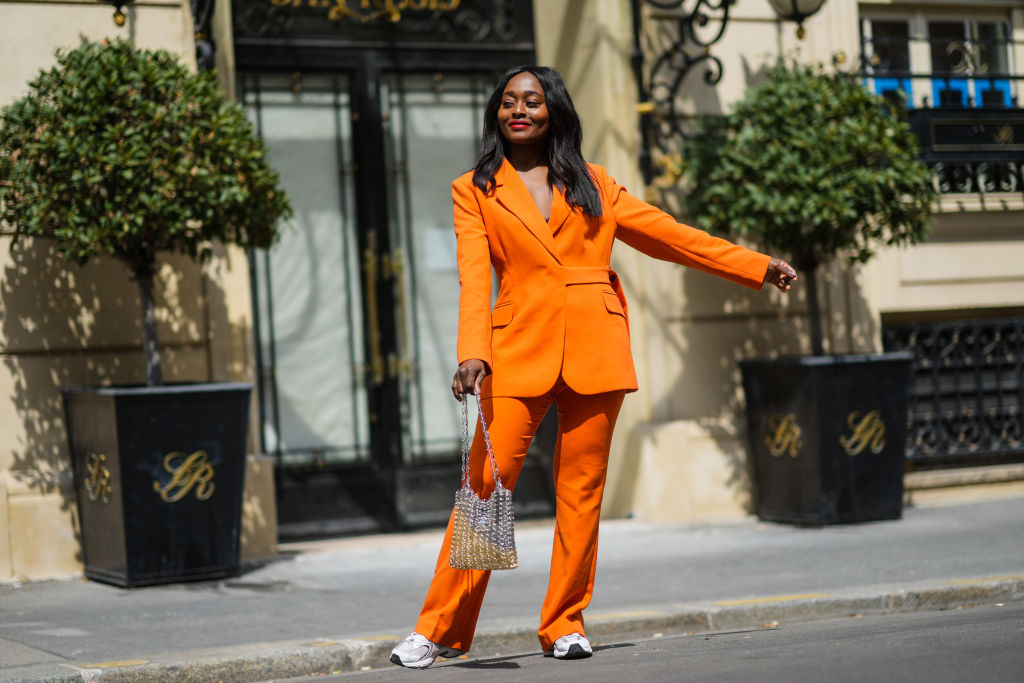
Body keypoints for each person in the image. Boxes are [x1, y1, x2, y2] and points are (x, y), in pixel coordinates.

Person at [390, 65, 797, 670]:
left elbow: (670, 236)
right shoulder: (474, 189)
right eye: (508, 102)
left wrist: (753, 265)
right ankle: (439, 628)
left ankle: (564, 623)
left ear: (553, 109)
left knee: (580, 494)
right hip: (515, 351)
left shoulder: (594, 182)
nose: (518, 110)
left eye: (531, 100)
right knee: (482, 491)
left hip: (595, 349)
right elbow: (474, 279)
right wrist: (471, 352)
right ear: (496, 113)